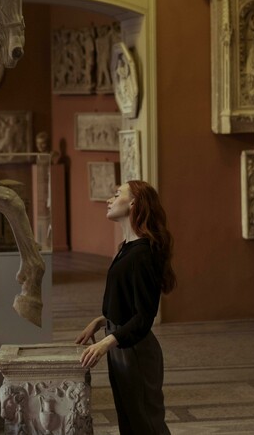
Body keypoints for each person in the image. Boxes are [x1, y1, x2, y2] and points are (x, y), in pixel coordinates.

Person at [76, 181, 176, 435]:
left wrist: (105, 342)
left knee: (147, 425)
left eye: (117, 194)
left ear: (133, 202)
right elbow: (128, 303)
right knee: (130, 424)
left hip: (135, 349)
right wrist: (102, 321)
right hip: (121, 343)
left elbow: (144, 317)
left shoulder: (142, 254)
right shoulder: (127, 249)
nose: (110, 199)